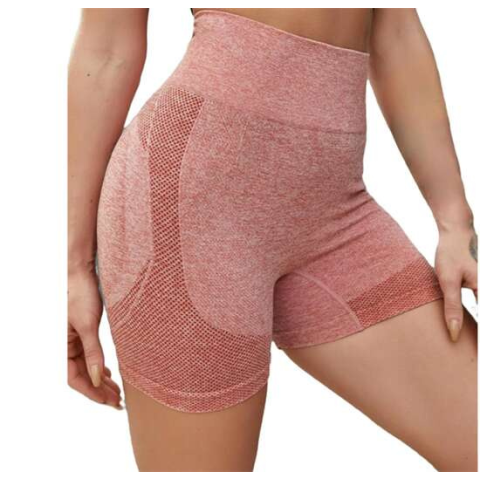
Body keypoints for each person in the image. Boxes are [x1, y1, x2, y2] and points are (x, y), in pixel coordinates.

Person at [68, 8, 478, 472]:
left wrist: (453, 219)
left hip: (338, 216)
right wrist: (75, 268)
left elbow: (395, 29)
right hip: (192, 214)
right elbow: (106, 50)